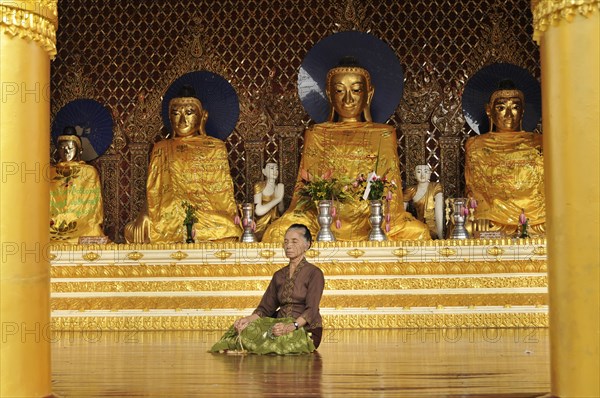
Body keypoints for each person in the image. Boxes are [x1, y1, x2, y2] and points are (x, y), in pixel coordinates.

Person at [261, 58, 430, 242]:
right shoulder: (317, 133)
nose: (348, 99)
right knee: (276, 233)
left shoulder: (383, 134)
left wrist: (372, 213)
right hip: (321, 218)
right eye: (340, 91)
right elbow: (305, 195)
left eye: (356, 90)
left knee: (419, 234)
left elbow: (392, 192)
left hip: (373, 219)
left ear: (369, 94)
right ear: (329, 94)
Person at [124, 86, 241, 243]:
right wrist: (144, 212)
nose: (182, 120)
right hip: (168, 215)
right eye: (176, 114)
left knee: (229, 227)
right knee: (137, 229)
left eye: (189, 113)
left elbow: (222, 195)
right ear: (170, 118)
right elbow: (154, 190)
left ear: (202, 117)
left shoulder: (215, 146)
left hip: (205, 214)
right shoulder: (161, 147)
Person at [211, 224, 324, 354]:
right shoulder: (279, 275)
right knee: (246, 330)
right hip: (279, 325)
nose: (288, 245)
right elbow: (265, 309)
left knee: (277, 342)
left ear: (307, 244)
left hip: (305, 328)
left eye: (294, 241)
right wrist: (247, 320)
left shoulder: (314, 273)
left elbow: (312, 310)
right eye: (285, 242)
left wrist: (291, 327)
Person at [464, 80, 545, 236]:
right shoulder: (476, 145)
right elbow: (474, 188)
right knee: (470, 228)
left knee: (559, 227)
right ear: (489, 110)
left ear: (523, 111)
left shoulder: (540, 142)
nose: (509, 115)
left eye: (515, 107)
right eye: (501, 108)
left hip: (537, 219)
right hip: (494, 220)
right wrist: (482, 213)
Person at [49, 127, 105, 243]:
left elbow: (91, 207)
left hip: (81, 223)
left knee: (91, 228)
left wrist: (72, 219)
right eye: (62, 148)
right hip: (51, 224)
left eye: (70, 148)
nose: (66, 151)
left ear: (80, 150)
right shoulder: (49, 172)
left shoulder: (88, 172)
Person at [403, 164, 444, 239]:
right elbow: (402, 213)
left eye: (425, 171)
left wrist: (440, 234)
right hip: (418, 226)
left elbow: (439, 210)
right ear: (414, 175)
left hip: (432, 228)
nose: (422, 175)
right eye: (418, 172)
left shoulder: (435, 186)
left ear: (429, 174)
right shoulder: (410, 190)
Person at [254, 162, 285, 241]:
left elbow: (281, 211)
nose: (275, 170)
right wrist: (277, 199)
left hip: (275, 221)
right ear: (264, 171)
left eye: (276, 168)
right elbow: (258, 211)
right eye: (271, 168)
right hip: (262, 222)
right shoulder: (259, 186)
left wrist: (280, 198)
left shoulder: (278, 187)